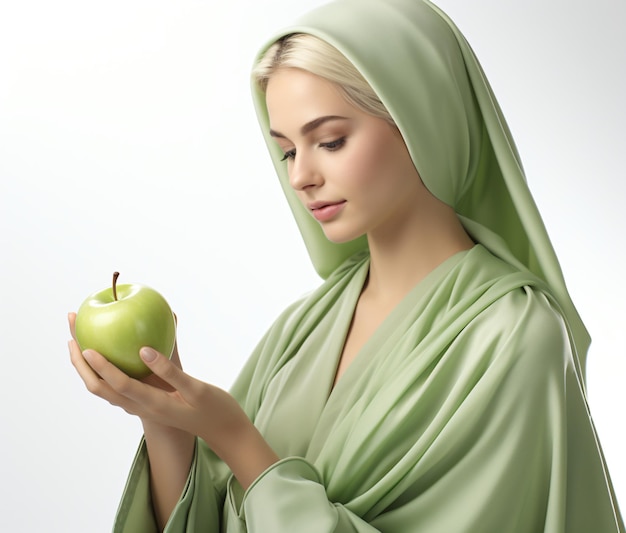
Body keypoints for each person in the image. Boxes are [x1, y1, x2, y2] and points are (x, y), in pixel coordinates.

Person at [69, 0, 624, 531]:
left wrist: (237, 440)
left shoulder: (516, 338)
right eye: (287, 150)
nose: (300, 176)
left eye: (329, 141)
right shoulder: (303, 328)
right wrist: (167, 422)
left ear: (423, 122)